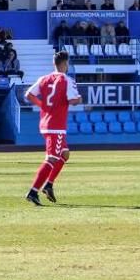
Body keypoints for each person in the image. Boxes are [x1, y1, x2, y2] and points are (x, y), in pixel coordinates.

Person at [24, 51, 82, 206]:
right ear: (65, 64)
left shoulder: (44, 78)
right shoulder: (67, 80)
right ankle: (33, 191)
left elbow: (29, 94)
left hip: (45, 122)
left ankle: (48, 184)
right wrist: (79, 98)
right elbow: (73, 100)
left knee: (64, 153)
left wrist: (43, 106)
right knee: (51, 158)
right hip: (56, 126)